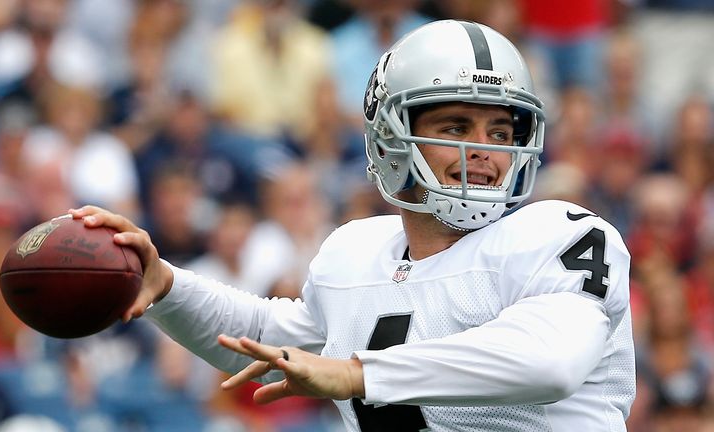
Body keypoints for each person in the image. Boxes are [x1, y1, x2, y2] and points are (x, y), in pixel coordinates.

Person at [70, 20, 636, 431]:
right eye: (457, 125)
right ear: (391, 138)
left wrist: (359, 374)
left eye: (501, 132)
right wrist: (166, 286)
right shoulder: (355, 252)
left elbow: (550, 361)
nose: (484, 151)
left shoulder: (561, 234)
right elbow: (264, 341)